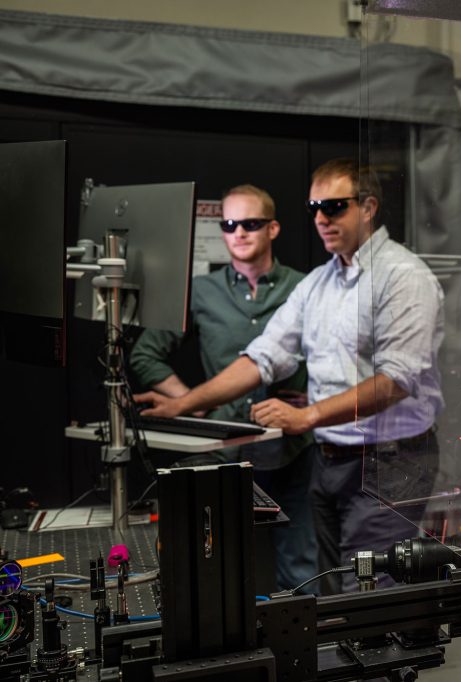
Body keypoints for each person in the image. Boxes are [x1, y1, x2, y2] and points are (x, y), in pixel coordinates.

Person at [136, 160, 444, 593]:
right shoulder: (319, 283)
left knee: (368, 592)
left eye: (335, 206)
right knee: (334, 585)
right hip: (330, 459)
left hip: (389, 460)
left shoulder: (403, 277)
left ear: (369, 206)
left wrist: (307, 416)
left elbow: (396, 379)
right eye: (315, 207)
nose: (322, 218)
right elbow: (264, 356)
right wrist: (183, 405)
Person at [130, 183, 317, 593]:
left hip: (293, 451)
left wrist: (314, 402)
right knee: (215, 565)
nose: (240, 233)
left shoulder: (306, 288)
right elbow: (145, 355)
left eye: (251, 223)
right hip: (223, 450)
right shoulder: (201, 292)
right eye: (230, 224)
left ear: (273, 228)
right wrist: (190, 403)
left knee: (301, 568)